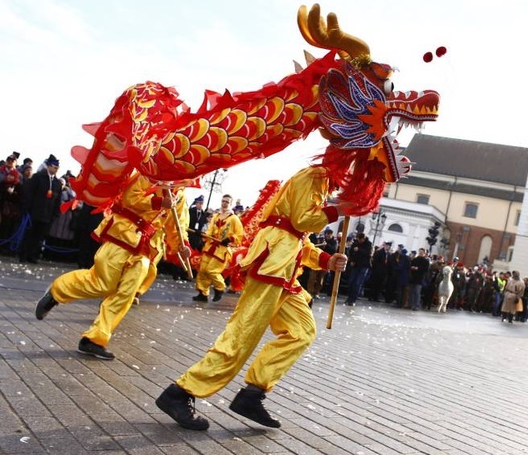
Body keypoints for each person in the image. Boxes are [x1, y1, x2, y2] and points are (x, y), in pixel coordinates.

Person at [155, 164, 350, 430]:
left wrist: (326, 259)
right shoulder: (315, 175)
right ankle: (180, 392)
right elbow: (302, 222)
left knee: (301, 332)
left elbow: (298, 236)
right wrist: (340, 209)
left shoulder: (323, 182)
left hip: (284, 270)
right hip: (272, 265)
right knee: (241, 337)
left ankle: (252, 394)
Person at [35, 171, 190, 359]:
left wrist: (182, 246)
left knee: (125, 294)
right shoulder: (149, 174)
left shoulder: (180, 194)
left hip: (144, 248)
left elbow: (176, 226)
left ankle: (94, 339)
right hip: (122, 235)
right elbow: (129, 198)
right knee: (102, 284)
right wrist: (157, 202)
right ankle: (57, 291)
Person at [192, 194, 243, 302]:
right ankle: (203, 293)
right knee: (202, 270)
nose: (224, 203)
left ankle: (220, 288)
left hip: (221, 250)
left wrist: (230, 239)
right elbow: (210, 230)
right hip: (210, 246)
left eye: (227, 202)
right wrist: (203, 234)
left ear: (230, 204)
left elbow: (239, 235)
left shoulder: (234, 219)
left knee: (212, 270)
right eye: (223, 201)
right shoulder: (216, 216)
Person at [19, 155, 62, 263]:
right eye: (54, 166)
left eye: (57, 167)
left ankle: (33, 255)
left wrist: (55, 213)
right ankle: (24, 255)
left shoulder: (57, 183)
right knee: (29, 234)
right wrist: (28, 209)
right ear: (48, 166)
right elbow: (30, 193)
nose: (56, 169)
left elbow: (58, 199)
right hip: (35, 212)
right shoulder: (38, 177)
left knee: (39, 237)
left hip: (47, 214)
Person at [344, 232, 372, 306]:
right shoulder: (356, 243)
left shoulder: (368, 244)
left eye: (360, 240)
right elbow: (351, 252)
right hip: (355, 265)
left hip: (363, 266)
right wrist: (352, 261)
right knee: (351, 282)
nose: (359, 241)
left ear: (363, 239)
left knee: (357, 283)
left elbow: (367, 253)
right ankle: (349, 297)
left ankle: (353, 299)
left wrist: (359, 250)